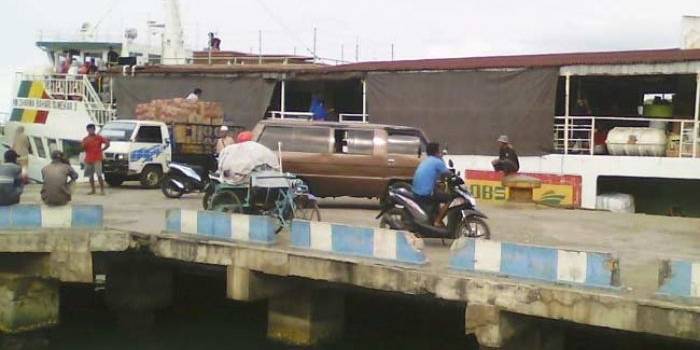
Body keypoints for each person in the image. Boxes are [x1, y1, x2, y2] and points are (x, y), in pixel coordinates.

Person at [412, 142, 451, 227]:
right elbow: (448, 174)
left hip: (416, 191)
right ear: (436, 152)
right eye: (439, 150)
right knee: (450, 199)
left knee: (439, 189)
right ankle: (437, 221)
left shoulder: (426, 160)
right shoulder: (437, 162)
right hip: (425, 194)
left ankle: (434, 215)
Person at [82, 124, 110, 195]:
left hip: (97, 158)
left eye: (92, 129)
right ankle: (93, 190)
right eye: (89, 129)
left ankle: (102, 190)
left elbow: (107, 143)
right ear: (87, 130)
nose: (91, 131)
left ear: (94, 129)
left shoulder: (99, 137)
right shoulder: (85, 139)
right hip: (88, 159)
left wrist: (102, 149)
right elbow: (82, 147)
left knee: (99, 175)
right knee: (90, 176)